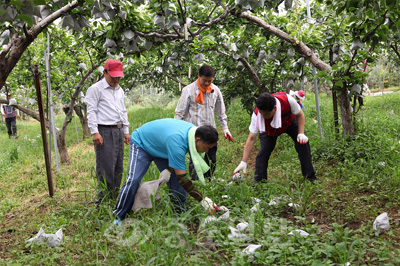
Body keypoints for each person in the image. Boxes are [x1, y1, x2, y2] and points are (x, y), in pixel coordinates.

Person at [113, 118, 219, 223]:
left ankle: (181, 213)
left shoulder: (191, 134)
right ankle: (119, 215)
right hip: (142, 144)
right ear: (197, 140)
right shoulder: (178, 141)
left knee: (176, 184)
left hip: (162, 146)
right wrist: (202, 199)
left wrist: (169, 169)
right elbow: (183, 178)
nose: (206, 151)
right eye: (206, 147)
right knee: (133, 180)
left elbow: (176, 157)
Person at [233, 92, 317, 182]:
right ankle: (260, 181)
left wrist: (301, 133)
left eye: (266, 114)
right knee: (264, 151)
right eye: (261, 113)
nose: (263, 116)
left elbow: (300, 115)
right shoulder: (257, 115)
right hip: (269, 129)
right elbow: (251, 138)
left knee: (303, 144)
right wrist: (243, 161)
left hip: (289, 123)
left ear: (275, 108)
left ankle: (310, 177)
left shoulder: (288, 100)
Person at [84, 59, 130, 205]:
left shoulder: (120, 90)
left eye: (119, 77)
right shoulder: (95, 89)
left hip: (118, 130)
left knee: (118, 166)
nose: (116, 80)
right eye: (113, 77)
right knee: (105, 168)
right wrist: (95, 132)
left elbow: (123, 111)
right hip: (104, 130)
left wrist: (126, 131)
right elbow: (91, 111)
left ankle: (114, 198)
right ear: (105, 73)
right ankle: (103, 201)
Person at [175, 64, 232, 181]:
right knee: (196, 161)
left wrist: (225, 128)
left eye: (209, 81)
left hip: (211, 132)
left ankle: (208, 181)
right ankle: (197, 184)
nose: (207, 83)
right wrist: (177, 130)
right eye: (204, 80)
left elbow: (220, 112)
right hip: (195, 133)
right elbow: (179, 113)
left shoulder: (215, 90)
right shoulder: (188, 90)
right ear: (198, 76)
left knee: (212, 159)